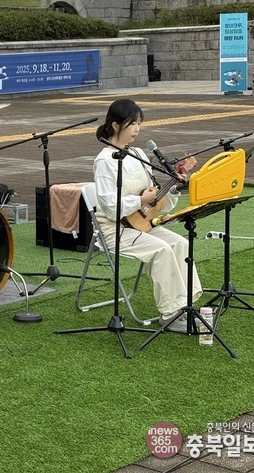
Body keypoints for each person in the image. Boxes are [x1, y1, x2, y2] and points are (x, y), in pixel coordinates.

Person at [93, 99, 201, 333]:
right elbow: (110, 206)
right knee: (162, 250)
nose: (136, 129)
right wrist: (140, 200)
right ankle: (170, 314)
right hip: (115, 229)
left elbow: (155, 198)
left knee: (180, 243)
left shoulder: (138, 153)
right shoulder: (104, 161)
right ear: (115, 125)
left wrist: (175, 187)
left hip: (142, 223)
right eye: (132, 124)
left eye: (139, 123)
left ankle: (186, 306)